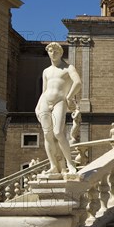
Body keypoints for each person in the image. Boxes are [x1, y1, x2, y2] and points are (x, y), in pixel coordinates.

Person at [35, 42, 81, 175]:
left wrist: (69, 96)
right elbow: (44, 91)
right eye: (50, 51)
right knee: (47, 135)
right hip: (45, 101)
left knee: (58, 133)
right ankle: (53, 166)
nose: (53, 53)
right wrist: (38, 107)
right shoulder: (46, 71)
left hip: (60, 101)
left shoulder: (68, 68)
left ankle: (70, 164)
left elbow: (78, 82)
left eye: (56, 51)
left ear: (61, 53)